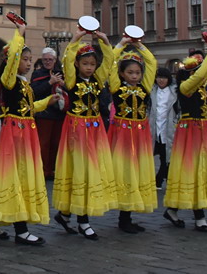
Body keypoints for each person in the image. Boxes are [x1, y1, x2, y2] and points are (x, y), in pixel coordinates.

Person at [0, 16, 57, 245]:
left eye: (29, 59)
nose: (27, 62)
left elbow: (29, 108)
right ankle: (21, 229)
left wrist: (47, 101)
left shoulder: (24, 84)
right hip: (14, 134)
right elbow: (13, 57)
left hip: (26, 132)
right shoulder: (9, 80)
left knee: (21, 176)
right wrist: (19, 33)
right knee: (17, 177)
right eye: (24, 59)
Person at [52, 26, 117, 240]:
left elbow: (109, 63)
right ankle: (82, 221)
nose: (89, 68)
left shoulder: (98, 81)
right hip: (77, 130)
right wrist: (75, 39)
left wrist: (106, 43)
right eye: (85, 64)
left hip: (95, 130)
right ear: (78, 64)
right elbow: (67, 60)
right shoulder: (72, 81)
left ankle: (66, 214)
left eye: (92, 64)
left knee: (91, 172)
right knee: (79, 171)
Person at [162, 42, 207, 232]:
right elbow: (202, 74)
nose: (202, 74)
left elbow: (205, 74)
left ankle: (173, 210)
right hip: (191, 130)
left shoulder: (200, 83)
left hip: (204, 130)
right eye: (198, 70)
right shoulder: (185, 86)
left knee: (201, 169)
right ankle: (199, 215)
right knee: (193, 170)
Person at [107, 36, 157, 233]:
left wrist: (139, 46)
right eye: (130, 72)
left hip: (140, 134)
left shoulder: (145, 88)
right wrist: (120, 45)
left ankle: (127, 214)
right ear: (121, 73)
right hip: (122, 135)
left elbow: (152, 62)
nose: (135, 76)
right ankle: (123, 216)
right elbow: (109, 62)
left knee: (137, 171)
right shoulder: (116, 88)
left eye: (137, 72)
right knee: (124, 171)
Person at [30, 47, 65, 179]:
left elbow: (69, 89)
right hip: (44, 113)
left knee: (56, 143)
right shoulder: (37, 74)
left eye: (50, 59)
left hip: (59, 113)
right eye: (45, 59)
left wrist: (63, 84)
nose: (47, 62)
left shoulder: (61, 73)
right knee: (43, 143)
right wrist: (50, 82)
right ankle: (44, 170)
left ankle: (53, 169)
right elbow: (34, 92)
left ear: (55, 60)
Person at [150, 67, 177, 189]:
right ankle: (156, 180)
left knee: (165, 156)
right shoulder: (151, 91)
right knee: (151, 154)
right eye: (159, 77)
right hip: (153, 128)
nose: (161, 80)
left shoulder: (174, 92)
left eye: (164, 77)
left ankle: (159, 180)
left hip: (168, 128)